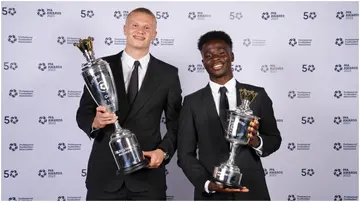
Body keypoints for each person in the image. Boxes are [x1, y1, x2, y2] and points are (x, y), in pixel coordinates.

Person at [76, 7, 182, 200]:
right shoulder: (99, 67)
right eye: (135, 25)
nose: (140, 31)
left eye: (146, 27)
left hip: (147, 177)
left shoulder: (168, 74)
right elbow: (83, 113)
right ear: (124, 28)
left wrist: (163, 151)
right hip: (104, 176)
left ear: (154, 34)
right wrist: (95, 122)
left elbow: (176, 123)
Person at [177, 30, 281, 200]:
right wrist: (206, 183)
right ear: (203, 62)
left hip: (252, 190)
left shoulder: (256, 95)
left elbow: (274, 139)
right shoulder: (191, 102)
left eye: (221, 53)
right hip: (211, 193)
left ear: (232, 56)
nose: (215, 59)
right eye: (208, 56)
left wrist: (256, 141)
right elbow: (184, 154)